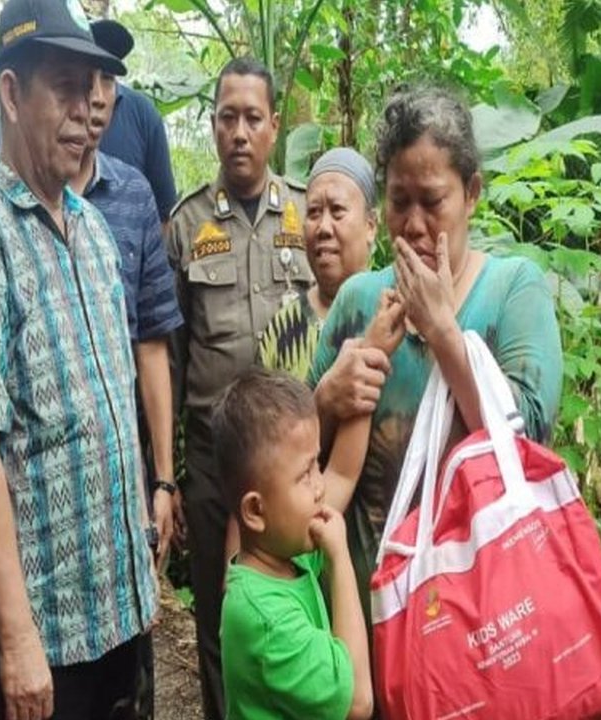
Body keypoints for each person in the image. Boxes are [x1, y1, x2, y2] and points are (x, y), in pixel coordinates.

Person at [0, 0, 157, 718]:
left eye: (93, 91)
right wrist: (19, 643)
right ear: (11, 94)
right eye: (64, 86)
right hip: (50, 640)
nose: (87, 110)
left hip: (124, 613)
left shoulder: (90, 230)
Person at [309, 85, 563, 622]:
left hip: (482, 619)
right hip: (368, 615)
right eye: (399, 202)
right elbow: (294, 459)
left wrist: (443, 330)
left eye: (433, 201)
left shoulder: (514, 291)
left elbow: (528, 440)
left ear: (471, 193)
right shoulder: (358, 301)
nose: (415, 225)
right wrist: (327, 399)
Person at [165, 55, 311, 720]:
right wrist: (165, 476)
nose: (240, 132)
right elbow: (168, 355)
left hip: (291, 466)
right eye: (228, 117)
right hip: (213, 470)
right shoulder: (188, 224)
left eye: (254, 118)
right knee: (221, 619)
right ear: (214, 124)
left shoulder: (309, 216)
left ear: (274, 126)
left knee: (294, 609)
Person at [217, 291, 403, 720]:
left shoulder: (284, 551)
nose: (319, 488)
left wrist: (370, 357)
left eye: (314, 467)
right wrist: (338, 558)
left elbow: (342, 473)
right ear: (255, 511)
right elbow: (358, 701)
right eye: (305, 475)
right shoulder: (263, 618)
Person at [70, 27, 184, 720]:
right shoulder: (8, 205)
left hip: (125, 457)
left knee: (130, 660)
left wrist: (163, 476)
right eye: (79, 81)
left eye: (107, 81)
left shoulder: (134, 194)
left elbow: (151, 340)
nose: (93, 98)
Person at [0, 19, 177, 224]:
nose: (93, 99)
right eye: (66, 85)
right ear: (13, 97)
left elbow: (164, 221)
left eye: (106, 77)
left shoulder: (142, 118)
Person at [257, 147, 377, 379]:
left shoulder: (393, 313)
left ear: (370, 226)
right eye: (313, 212)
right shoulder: (282, 330)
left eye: (338, 211)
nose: (323, 228)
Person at [88, 19, 177, 224]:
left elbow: (166, 217)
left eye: (107, 76)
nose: (97, 97)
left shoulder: (143, 115)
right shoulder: (27, 119)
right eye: (86, 77)